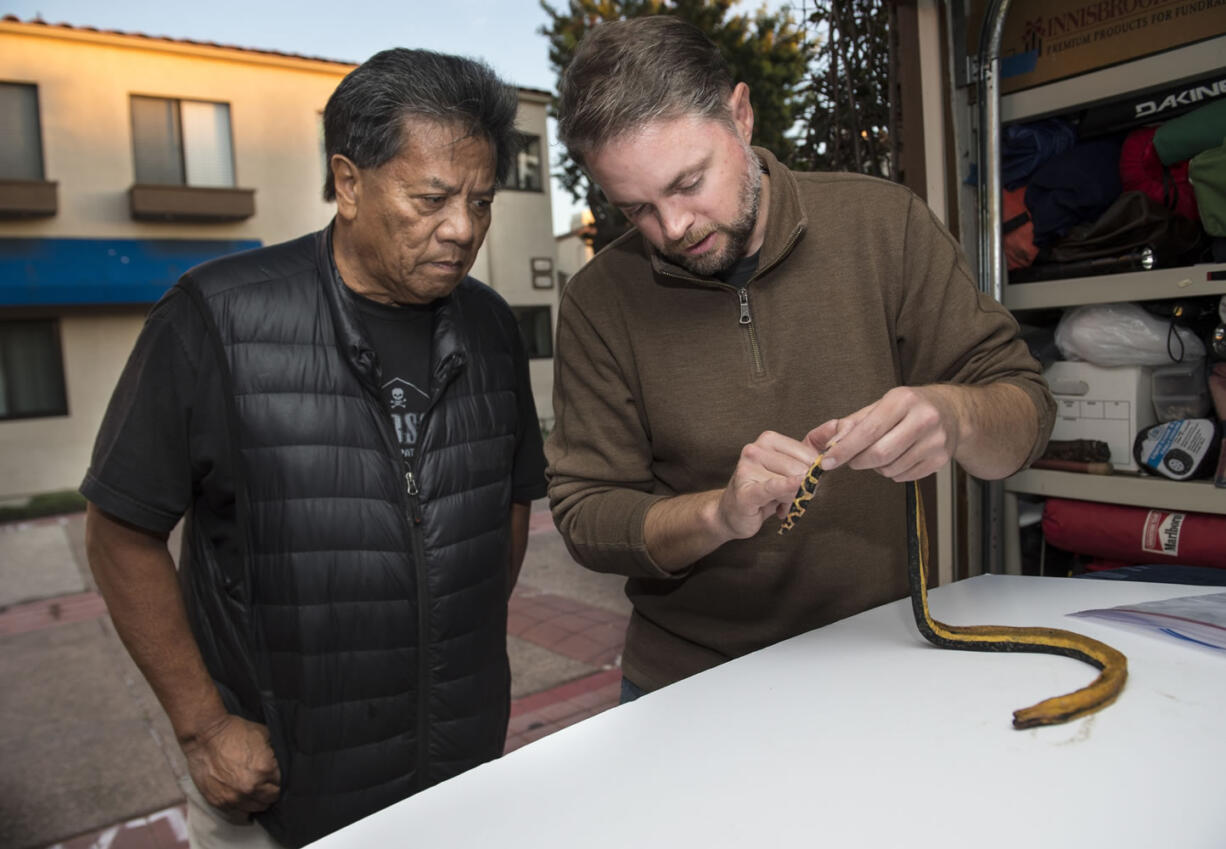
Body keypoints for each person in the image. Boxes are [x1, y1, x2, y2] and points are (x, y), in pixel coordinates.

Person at [82, 48, 546, 848]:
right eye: (431, 198)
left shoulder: (494, 327)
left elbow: (504, 510)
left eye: (481, 200)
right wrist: (201, 727)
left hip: (462, 769)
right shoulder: (215, 318)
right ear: (350, 180)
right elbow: (120, 531)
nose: (463, 228)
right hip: (274, 790)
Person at [546, 16, 1056, 701]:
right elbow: (585, 516)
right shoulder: (597, 301)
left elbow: (1026, 416)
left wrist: (956, 414)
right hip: (688, 683)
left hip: (881, 655)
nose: (673, 229)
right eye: (636, 209)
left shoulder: (884, 226)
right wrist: (716, 516)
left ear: (741, 114)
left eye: (689, 181)